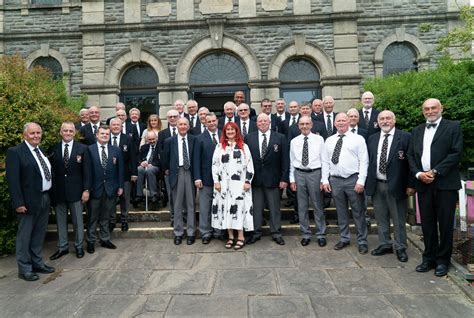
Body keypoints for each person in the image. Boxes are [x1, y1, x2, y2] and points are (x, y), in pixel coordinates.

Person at [407, 98, 463, 277]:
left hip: (445, 184)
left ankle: (443, 261)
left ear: (441, 109)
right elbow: (410, 156)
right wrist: (418, 174)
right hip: (423, 184)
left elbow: (456, 153)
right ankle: (428, 258)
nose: (430, 111)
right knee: (427, 223)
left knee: (445, 224)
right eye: (426, 109)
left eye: (433, 108)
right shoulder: (417, 131)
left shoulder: (453, 127)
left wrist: (435, 171)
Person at [6, 123, 55, 281]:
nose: (36, 136)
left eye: (38, 133)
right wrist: (18, 203)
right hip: (27, 202)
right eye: (32, 133)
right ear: (25, 135)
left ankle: (37, 263)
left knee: (39, 234)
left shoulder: (41, 151)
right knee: (24, 236)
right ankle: (24, 269)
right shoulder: (16, 152)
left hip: (44, 198)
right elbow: (13, 180)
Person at [366, 110, 413, 263]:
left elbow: (412, 163)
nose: (385, 121)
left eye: (388, 118)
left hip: (397, 185)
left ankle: (400, 247)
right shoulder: (372, 138)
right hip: (377, 184)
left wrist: (411, 184)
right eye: (382, 119)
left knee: (398, 218)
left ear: (394, 120)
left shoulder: (405, 137)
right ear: (378, 122)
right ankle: (385, 243)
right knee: (380, 217)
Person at [322, 113, 369, 254]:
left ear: (349, 122)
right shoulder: (329, 140)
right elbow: (325, 162)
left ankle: (362, 241)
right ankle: (344, 238)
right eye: (338, 121)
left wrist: (361, 181)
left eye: (344, 120)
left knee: (358, 212)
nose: (341, 123)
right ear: (335, 124)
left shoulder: (358, 139)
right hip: (335, 180)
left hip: (353, 180)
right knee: (341, 212)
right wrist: (325, 180)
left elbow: (364, 161)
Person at [245, 113, 289, 245]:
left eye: (265, 121)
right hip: (256, 180)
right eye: (260, 121)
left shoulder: (280, 137)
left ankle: (276, 233)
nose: (263, 123)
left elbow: (285, 160)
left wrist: (284, 178)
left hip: (274, 180)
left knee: (274, 208)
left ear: (269, 122)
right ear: (257, 123)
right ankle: (256, 233)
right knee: (256, 208)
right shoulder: (249, 138)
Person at [49, 122, 90, 260]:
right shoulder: (53, 148)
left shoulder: (83, 148)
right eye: (65, 131)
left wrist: (86, 190)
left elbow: (87, 172)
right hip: (59, 191)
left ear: (74, 133)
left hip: (77, 191)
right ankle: (63, 247)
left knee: (78, 221)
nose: (67, 133)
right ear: (60, 132)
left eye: (70, 131)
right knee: (60, 221)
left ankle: (79, 246)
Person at [211, 122, 254, 250]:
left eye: (232, 129)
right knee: (226, 210)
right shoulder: (219, 147)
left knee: (239, 209)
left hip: (239, 184)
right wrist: (216, 181)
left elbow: (249, 165)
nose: (230, 131)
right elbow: (214, 165)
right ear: (224, 132)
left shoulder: (243, 147)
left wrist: (248, 181)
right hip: (224, 185)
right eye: (227, 130)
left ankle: (240, 237)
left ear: (236, 131)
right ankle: (230, 236)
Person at [86, 125, 124, 253]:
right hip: (94, 189)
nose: (104, 136)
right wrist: (86, 189)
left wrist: (120, 186)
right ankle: (90, 241)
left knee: (106, 216)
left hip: (110, 188)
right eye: (102, 133)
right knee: (92, 216)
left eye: (107, 134)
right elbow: (87, 172)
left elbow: (120, 170)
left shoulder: (116, 150)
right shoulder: (89, 150)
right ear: (97, 135)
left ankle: (105, 238)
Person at [289, 116, 326, 247]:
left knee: (317, 205)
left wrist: (324, 179)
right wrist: (292, 179)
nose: (304, 126)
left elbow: (324, 160)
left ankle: (321, 234)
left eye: (307, 124)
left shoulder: (319, 139)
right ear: (298, 126)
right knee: (302, 206)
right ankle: (305, 234)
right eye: (302, 124)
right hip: (299, 174)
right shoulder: (294, 141)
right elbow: (292, 162)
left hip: (315, 173)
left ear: (311, 125)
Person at [163, 117, 197, 245]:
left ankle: (191, 232)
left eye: (185, 124)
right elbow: (165, 159)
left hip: (190, 173)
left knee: (190, 204)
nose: (182, 126)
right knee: (177, 205)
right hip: (176, 173)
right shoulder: (169, 141)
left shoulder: (194, 140)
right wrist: (167, 170)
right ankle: (178, 232)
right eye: (180, 124)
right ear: (176, 126)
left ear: (188, 126)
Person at [193, 113, 222, 244]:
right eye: (208, 121)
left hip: (223, 180)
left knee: (220, 206)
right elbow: (196, 160)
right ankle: (205, 232)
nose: (211, 123)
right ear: (205, 122)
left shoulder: (225, 135)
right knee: (205, 207)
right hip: (205, 179)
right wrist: (197, 177)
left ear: (217, 121)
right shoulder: (199, 139)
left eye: (213, 121)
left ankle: (219, 231)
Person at [109, 118, 138, 231]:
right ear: (110, 127)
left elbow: (133, 157)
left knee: (124, 198)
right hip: (110, 175)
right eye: (114, 125)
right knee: (111, 199)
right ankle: (111, 221)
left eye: (118, 125)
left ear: (122, 126)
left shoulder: (128, 139)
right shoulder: (106, 138)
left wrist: (134, 173)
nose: (116, 127)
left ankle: (124, 220)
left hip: (125, 174)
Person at [136, 131, 161, 204]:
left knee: (149, 170)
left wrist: (152, 163)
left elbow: (163, 159)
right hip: (145, 165)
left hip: (156, 167)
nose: (152, 141)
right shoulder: (144, 147)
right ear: (147, 139)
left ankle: (154, 194)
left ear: (156, 138)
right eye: (150, 139)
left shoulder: (161, 146)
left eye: (153, 139)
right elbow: (138, 157)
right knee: (139, 169)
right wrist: (141, 162)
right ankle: (139, 194)